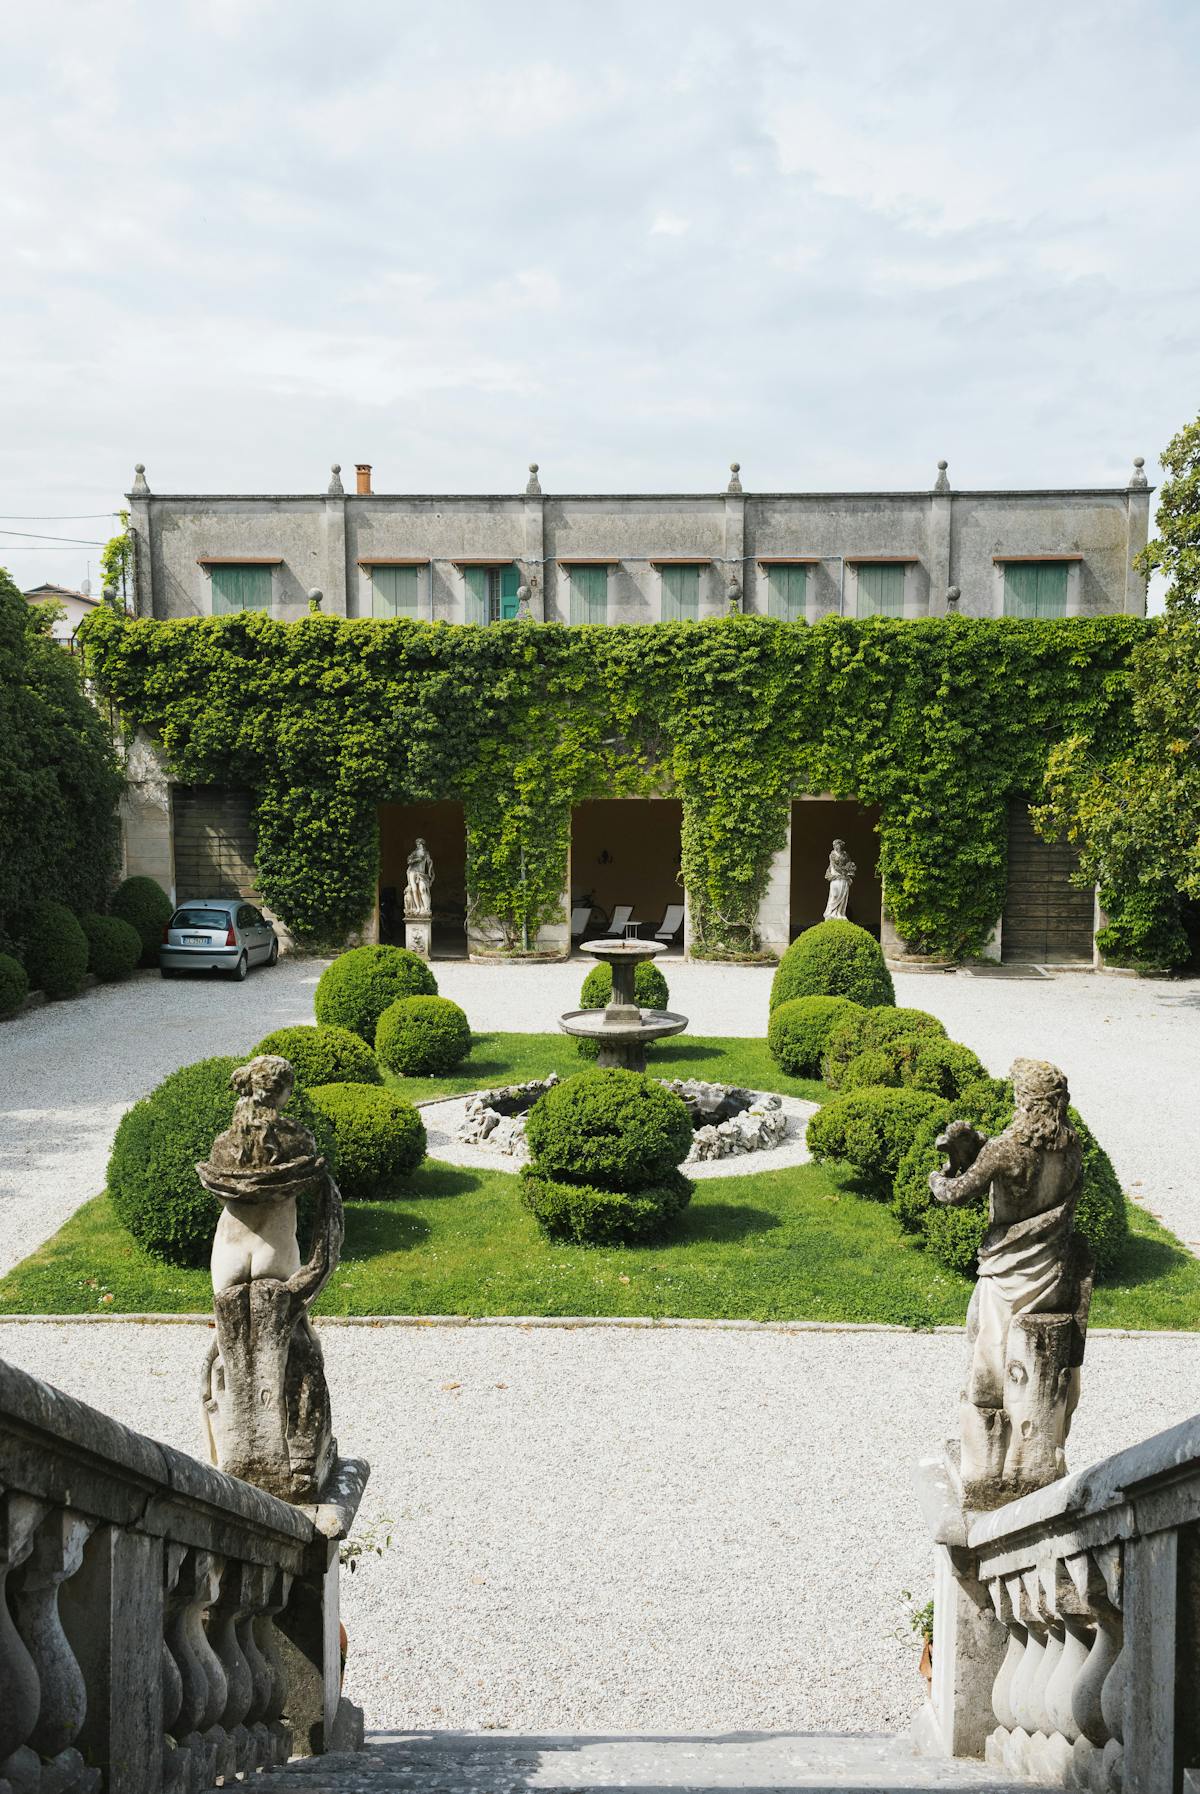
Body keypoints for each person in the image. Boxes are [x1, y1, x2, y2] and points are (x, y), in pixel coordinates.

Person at [929, 1058, 1092, 1502]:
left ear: (1022, 1099)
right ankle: (1041, 1457)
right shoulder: (1071, 1146)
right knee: (1043, 1374)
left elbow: (955, 1193)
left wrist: (939, 1173)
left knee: (991, 1369)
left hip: (1008, 1275)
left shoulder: (1006, 1149)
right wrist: (980, 1146)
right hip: (1053, 1273)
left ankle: (986, 1469)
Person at [822, 838, 856, 920]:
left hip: (843, 879)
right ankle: (830, 913)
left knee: (843, 897)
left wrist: (849, 870)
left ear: (841, 845)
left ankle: (840, 913)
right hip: (835, 877)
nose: (836, 846)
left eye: (838, 845)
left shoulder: (845, 854)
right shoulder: (832, 855)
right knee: (834, 895)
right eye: (835, 845)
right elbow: (834, 866)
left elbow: (849, 863)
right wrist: (843, 873)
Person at [404, 837, 435, 917]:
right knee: (414, 890)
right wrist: (416, 859)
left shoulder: (426, 853)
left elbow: (429, 863)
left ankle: (425, 908)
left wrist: (430, 873)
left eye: (419, 844)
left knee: (422, 889)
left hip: (421, 874)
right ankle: (417, 908)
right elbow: (409, 861)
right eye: (417, 844)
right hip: (412, 872)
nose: (418, 845)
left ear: (422, 844)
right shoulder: (414, 853)